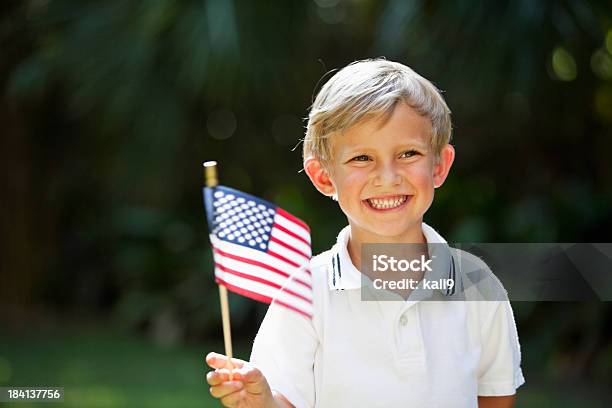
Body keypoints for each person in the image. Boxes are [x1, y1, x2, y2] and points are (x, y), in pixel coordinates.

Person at [205, 59, 524, 407]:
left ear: (440, 166)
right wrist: (262, 401)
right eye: (361, 159)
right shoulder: (305, 296)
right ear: (324, 177)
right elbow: (282, 401)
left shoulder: (478, 285)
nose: (387, 177)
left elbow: (495, 397)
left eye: (408, 153)